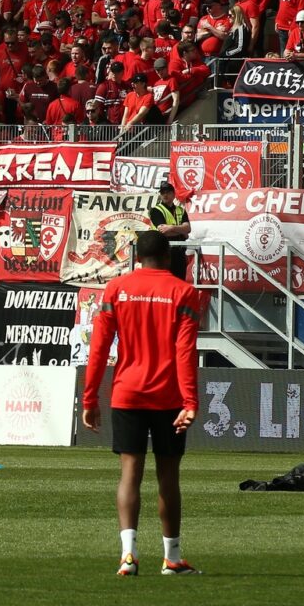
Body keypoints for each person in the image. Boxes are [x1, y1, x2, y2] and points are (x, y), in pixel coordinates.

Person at [81, 231, 201, 577]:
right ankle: (172, 558)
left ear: (137, 256)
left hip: (127, 393)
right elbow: (185, 353)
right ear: (167, 257)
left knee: (129, 474)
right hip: (168, 397)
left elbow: (99, 349)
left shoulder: (116, 290)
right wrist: (190, 400)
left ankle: (128, 556)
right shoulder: (184, 292)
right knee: (168, 477)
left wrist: (90, 398)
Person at [148, 180, 192, 279]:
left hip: (179, 252)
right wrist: (181, 232)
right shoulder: (156, 210)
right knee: (164, 281)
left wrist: (171, 227)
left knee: (179, 281)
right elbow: (163, 231)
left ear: (173, 194)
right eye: (162, 193)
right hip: (163, 251)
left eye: (168, 192)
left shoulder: (180, 210)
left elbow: (188, 229)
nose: (165, 195)